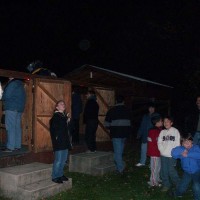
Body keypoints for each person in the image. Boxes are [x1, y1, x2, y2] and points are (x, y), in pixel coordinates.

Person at [104, 95, 132, 174]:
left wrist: (111, 128)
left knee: (117, 152)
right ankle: (119, 166)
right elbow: (130, 123)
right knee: (119, 152)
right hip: (125, 134)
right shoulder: (127, 110)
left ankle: (121, 168)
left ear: (116, 101)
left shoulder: (111, 110)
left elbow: (106, 124)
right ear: (123, 102)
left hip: (116, 134)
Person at [171, 134, 200, 199]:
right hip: (187, 172)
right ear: (182, 144)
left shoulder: (196, 147)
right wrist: (181, 150)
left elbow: (199, 155)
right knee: (182, 185)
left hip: (197, 172)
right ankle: (178, 193)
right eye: (185, 142)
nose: (187, 144)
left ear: (192, 141)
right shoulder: (182, 150)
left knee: (196, 186)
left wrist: (188, 154)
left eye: (189, 141)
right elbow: (173, 154)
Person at [49, 100, 71, 184]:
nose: (63, 105)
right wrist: (66, 120)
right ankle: (55, 176)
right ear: (57, 107)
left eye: (64, 103)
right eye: (61, 104)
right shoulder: (56, 117)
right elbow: (55, 130)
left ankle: (60, 174)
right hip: (59, 142)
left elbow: (68, 130)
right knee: (58, 160)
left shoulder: (63, 116)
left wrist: (68, 121)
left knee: (64, 160)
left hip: (65, 141)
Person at [1, 78, 26, 152]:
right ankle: (17, 146)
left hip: (11, 108)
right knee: (17, 128)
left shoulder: (12, 84)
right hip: (19, 109)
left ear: (11, 77)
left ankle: (10, 147)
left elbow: (7, 96)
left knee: (10, 127)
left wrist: (2, 95)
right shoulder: (21, 85)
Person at [157, 115, 180, 192]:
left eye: (167, 121)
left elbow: (177, 144)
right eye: (164, 121)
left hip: (172, 155)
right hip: (163, 155)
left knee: (171, 170)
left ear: (171, 123)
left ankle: (178, 184)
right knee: (164, 171)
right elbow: (159, 142)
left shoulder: (175, 131)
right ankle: (166, 184)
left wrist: (174, 153)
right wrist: (162, 151)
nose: (166, 123)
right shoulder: (162, 132)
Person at [135, 102, 160, 167]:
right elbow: (142, 125)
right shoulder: (145, 116)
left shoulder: (157, 115)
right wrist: (139, 134)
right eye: (150, 108)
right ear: (148, 109)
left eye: (153, 108)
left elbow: (159, 126)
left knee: (153, 150)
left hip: (154, 137)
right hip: (145, 136)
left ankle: (152, 163)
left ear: (154, 109)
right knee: (143, 149)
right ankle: (142, 162)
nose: (151, 109)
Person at [147, 115, 163, 187]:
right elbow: (154, 141)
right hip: (154, 153)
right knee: (154, 167)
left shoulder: (159, 130)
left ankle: (157, 178)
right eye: (161, 121)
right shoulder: (153, 130)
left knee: (158, 166)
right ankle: (153, 182)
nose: (162, 122)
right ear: (156, 122)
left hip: (158, 152)